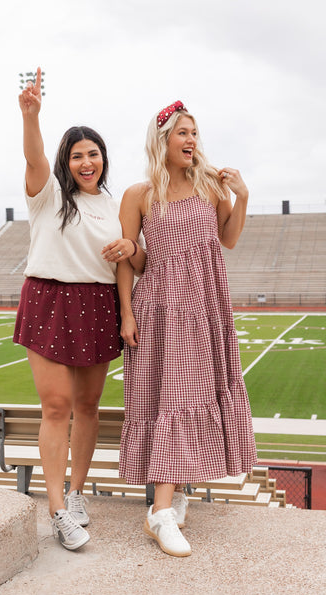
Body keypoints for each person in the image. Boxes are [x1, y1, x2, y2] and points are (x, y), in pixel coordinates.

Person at [117, 100, 258, 557]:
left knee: (195, 396)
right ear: (163, 141)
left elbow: (229, 240)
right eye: (181, 133)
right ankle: (160, 513)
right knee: (172, 398)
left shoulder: (210, 188)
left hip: (205, 305)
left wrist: (242, 197)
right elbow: (132, 261)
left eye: (194, 132)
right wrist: (126, 313)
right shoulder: (139, 194)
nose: (191, 140)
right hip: (160, 308)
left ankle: (176, 493)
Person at [13, 67, 138, 551]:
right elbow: (34, 157)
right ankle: (58, 511)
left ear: (104, 158)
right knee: (57, 406)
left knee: (88, 407)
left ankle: (79, 492)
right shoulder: (48, 194)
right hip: (49, 298)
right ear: (67, 160)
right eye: (78, 155)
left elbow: (135, 259)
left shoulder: (114, 203)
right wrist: (31, 117)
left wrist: (129, 248)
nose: (87, 162)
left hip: (98, 303)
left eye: (93, 154)